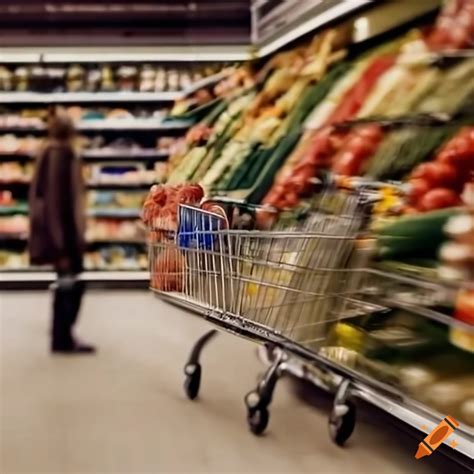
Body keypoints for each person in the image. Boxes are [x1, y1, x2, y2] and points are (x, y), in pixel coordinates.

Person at [28, 106, 95, 354]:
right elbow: (56, 203)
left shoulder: (53, 150)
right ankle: (63, 338)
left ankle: (63, 336)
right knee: (71, 285)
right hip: (64, 236)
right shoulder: (60, 153)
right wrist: (61, 244)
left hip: (63, 234)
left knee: (67, 285)